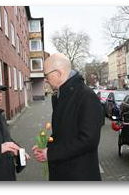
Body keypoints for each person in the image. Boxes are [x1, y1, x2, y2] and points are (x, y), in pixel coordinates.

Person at [32, 53, 104, 181]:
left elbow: (88, 140)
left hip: (79, 176)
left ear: (59, 73)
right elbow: (62, 134)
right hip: (64, 172)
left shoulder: (86, 96)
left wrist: (51, 153)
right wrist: (46, 146)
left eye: (46, 75)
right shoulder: (61, 96)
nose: (45, 80)